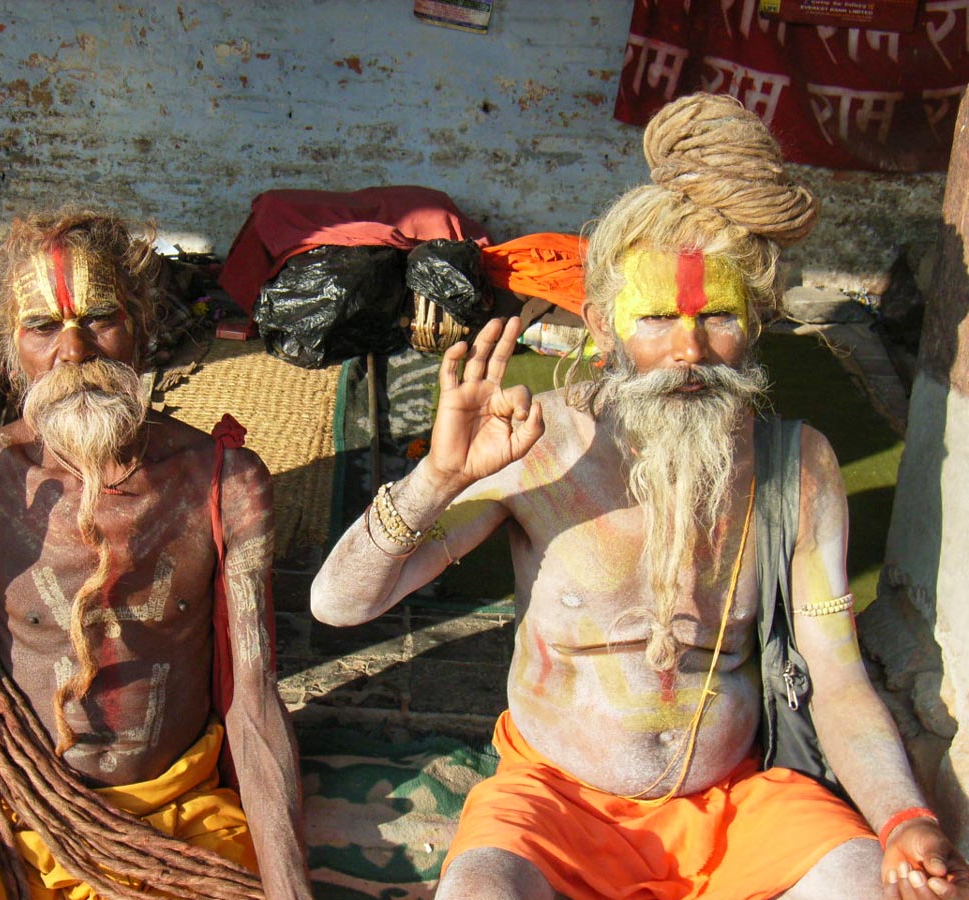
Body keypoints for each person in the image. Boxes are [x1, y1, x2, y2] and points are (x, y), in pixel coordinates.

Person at [311, 93, 969, 900]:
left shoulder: (797, 465)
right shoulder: (537, 441)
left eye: (718, 315)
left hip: (733, 810)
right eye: (656, 317)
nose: (690, 350)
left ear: (755, 324)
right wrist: (439, 477)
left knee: (868, 882)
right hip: (552, 806)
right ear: (602, 324)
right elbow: (338, 607)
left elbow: (836, 682)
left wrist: (906, 820)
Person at [0, 211, 311, 900]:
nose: (74, 350)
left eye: (100, 319)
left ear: (141, 331)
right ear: (12, 352)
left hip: (172, 816)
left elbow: (254, 701)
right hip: (12, 814)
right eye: (42, 327)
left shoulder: (227, 481)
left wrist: (292, 892)